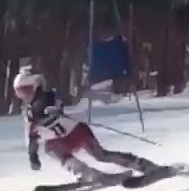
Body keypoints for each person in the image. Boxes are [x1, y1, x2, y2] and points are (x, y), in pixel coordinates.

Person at [13, 67, 160, 183]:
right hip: (60, 140)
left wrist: (51, 114)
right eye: (20, 92)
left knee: (101, 155)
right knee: (51, 149)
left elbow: (56, 105)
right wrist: (33, 156)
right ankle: (89, 175)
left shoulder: (48, 97)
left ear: (36, 86)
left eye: (26, 90)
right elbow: (32, 136)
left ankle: (142, 165)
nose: (24, 95)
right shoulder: (30, 111)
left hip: (76, 131)